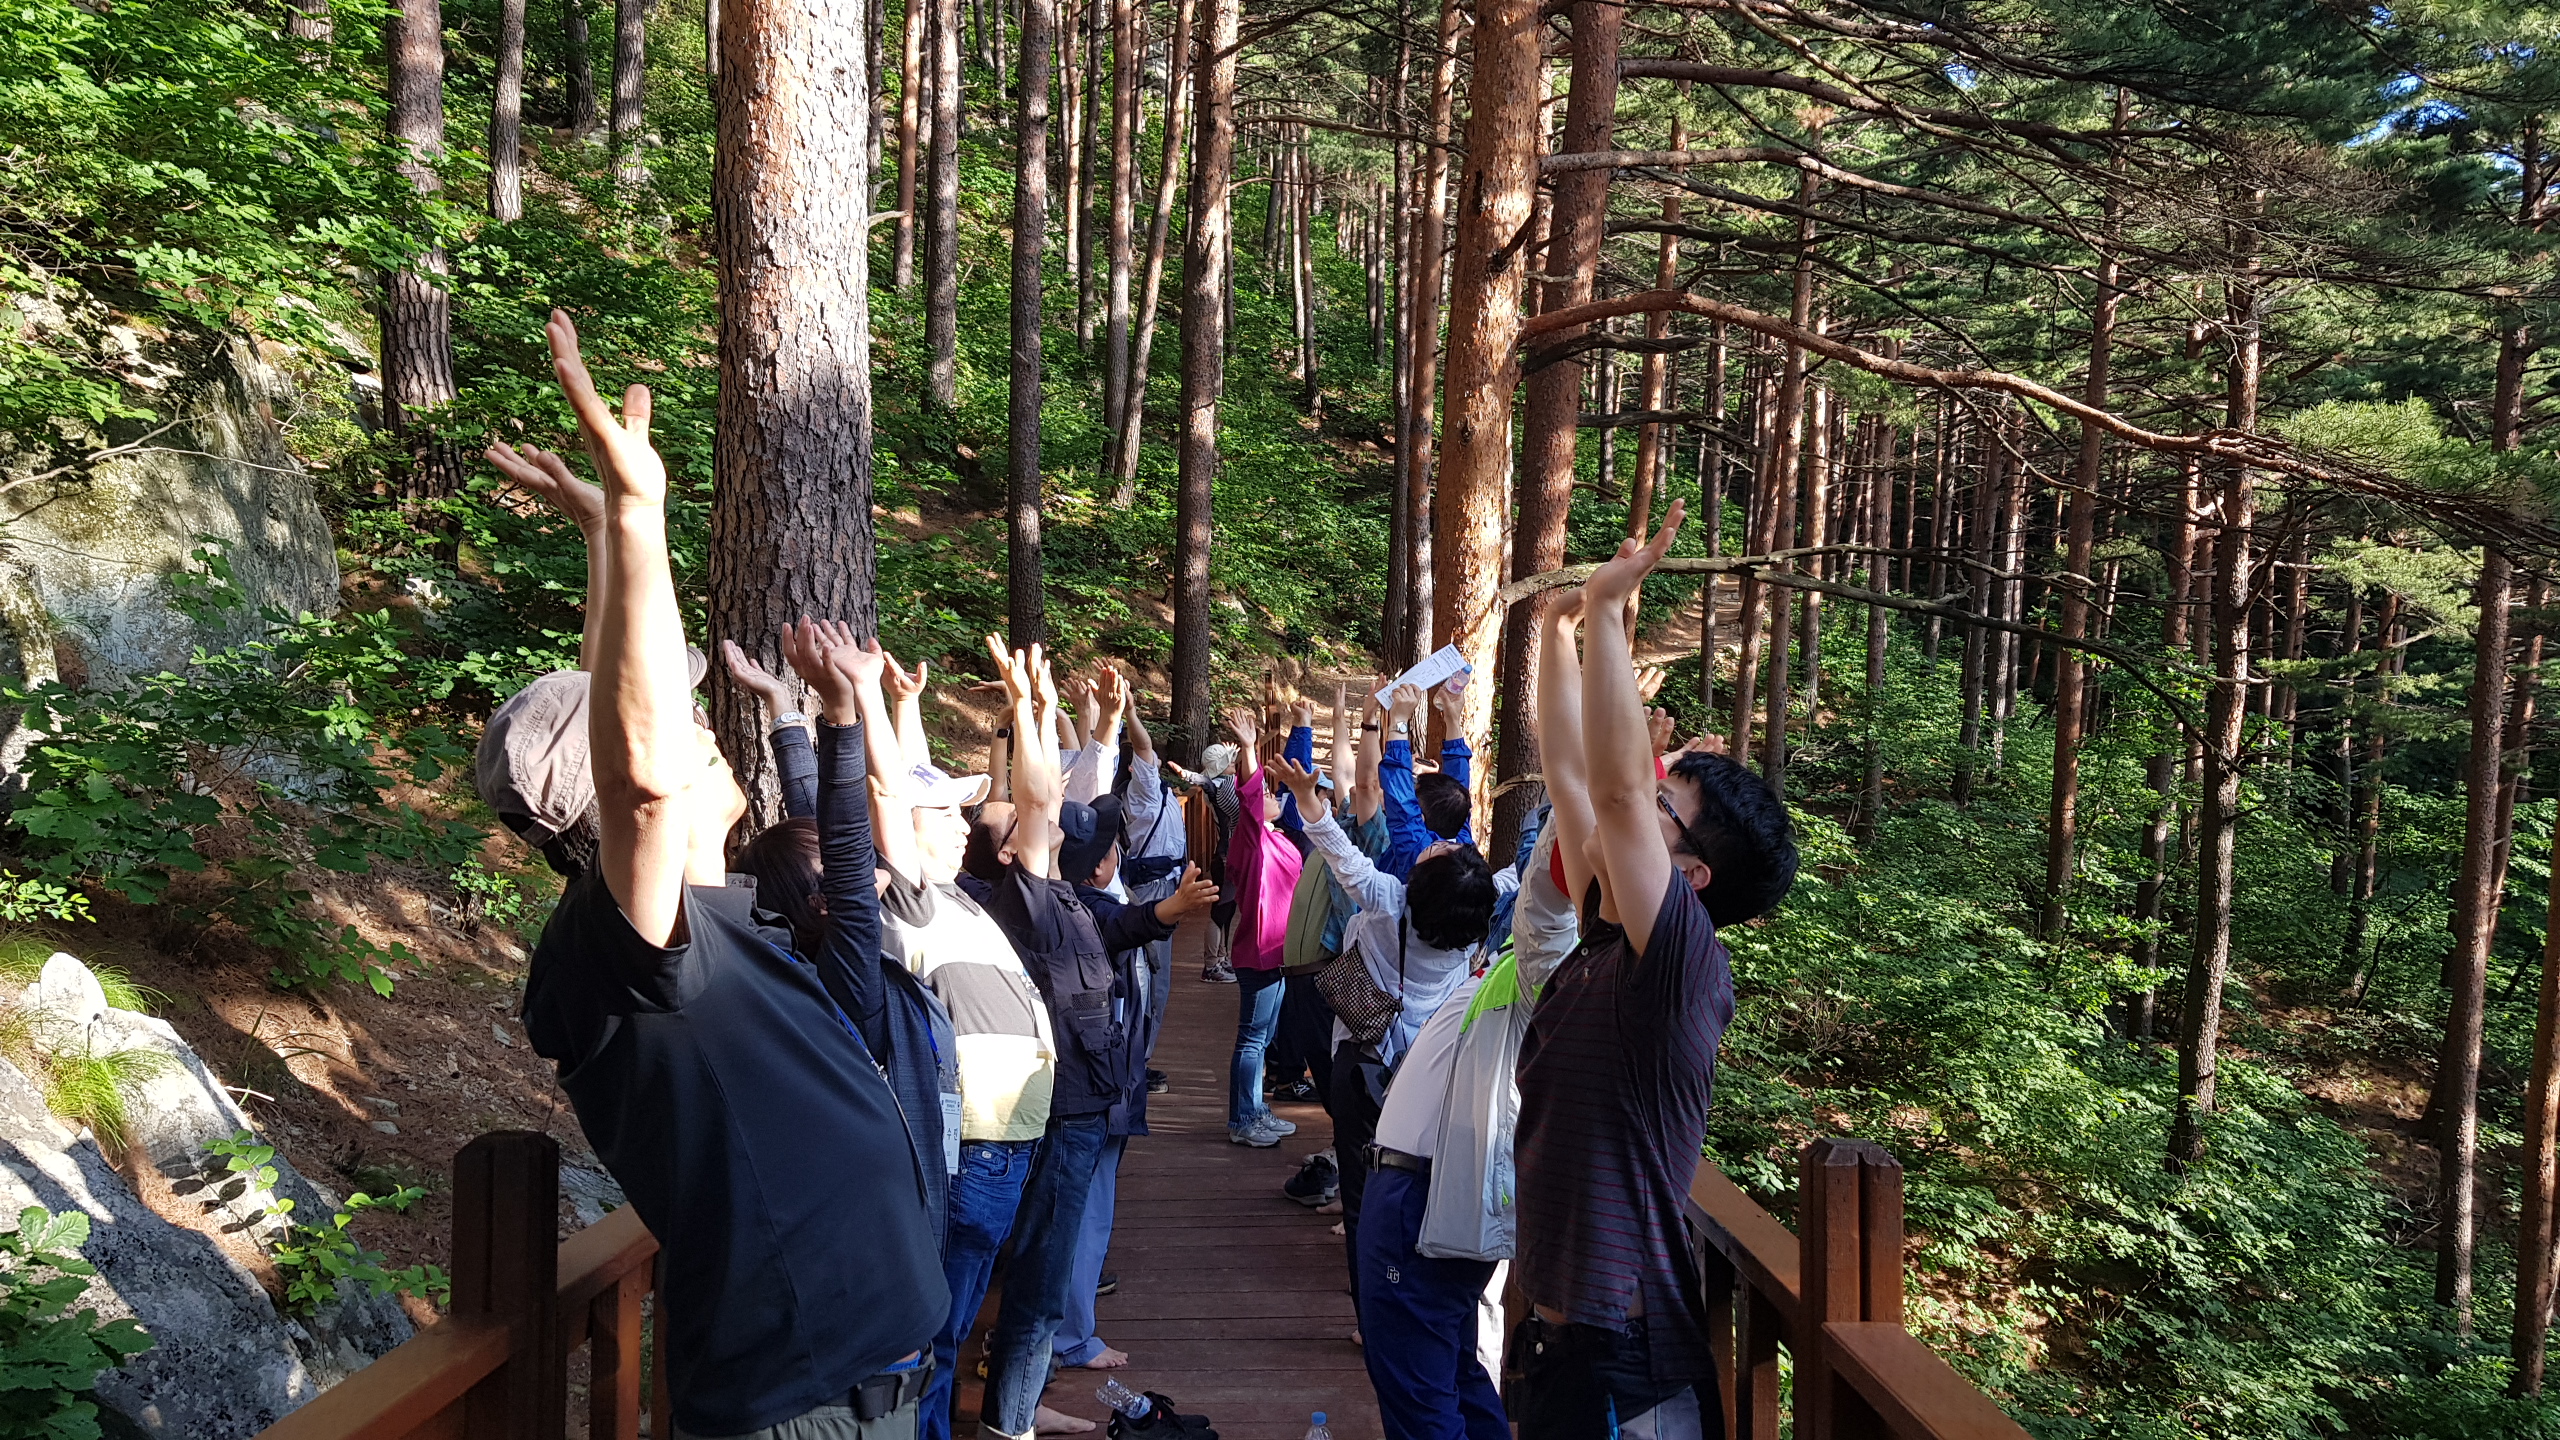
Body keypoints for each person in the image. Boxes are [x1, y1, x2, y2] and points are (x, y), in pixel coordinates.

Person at [497, 312, 944, 1440]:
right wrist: (642, 524)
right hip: (804, 1411)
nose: (705, 733)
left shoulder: (705, 917)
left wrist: (602, 537)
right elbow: (637, 774)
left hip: (862, 1384)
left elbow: (622, 734)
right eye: (688, 722)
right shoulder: (632, 955)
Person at [1509, 503, 1800, 1440]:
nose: (1640, 799)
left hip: (1627, 1359)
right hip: (1567, 1340)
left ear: (1693, 875)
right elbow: (1570, 773)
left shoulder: (1681, 964)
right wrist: (1558, 629)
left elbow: (1619, 789)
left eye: (1669, 808)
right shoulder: (1606, 942)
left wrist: (1604, 615)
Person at [967, 638, 1190, 1440]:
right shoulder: (1028, 902)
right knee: (1032, 1281)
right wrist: (1030, 711)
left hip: (1077, 1110)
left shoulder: (1059, 901)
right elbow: (1037, 811)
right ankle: (1010, 1420)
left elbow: (1066, 816)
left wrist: (1079, 723)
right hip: (1060, 1119)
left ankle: (1016, 1413)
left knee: (1034, 1278)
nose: (1069, 826)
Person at [1272, 752, 1494, 1309]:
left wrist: (1306, 799)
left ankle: (1372, 1307)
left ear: (1422, 879)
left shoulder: (1391, 902)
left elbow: (1341, 856)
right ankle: (1416, 1289)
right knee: (1417, 1182)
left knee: (1360, 1191)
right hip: (1429, 1073)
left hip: (1363, 1065)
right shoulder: (1470, 929)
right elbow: (1528, 870)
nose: (1437, 842)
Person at [1051, 788, 1219, 1374]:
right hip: (1093, 1092)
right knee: (1084, 1215)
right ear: (1100, 865)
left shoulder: (1047, 900)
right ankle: (1069, 1337)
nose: (1119, 851)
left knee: (1073, 1213)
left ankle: (1057, 1331)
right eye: (1113, 846)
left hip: (1090, 1086)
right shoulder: (1084, 910)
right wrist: (1169, 911)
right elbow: (1120, 925)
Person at [1221, 704, 1305, 1147]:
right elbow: (1252, 793)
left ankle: (1255, 1108)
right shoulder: (1254, 839)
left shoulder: (1273, 839)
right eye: (1270, 794)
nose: (1274, 796)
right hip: (1260, 953)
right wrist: (1250, 748)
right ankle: (1241, 1120)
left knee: (1264, 1036)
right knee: (1252, 1040)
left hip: (1280, 953)